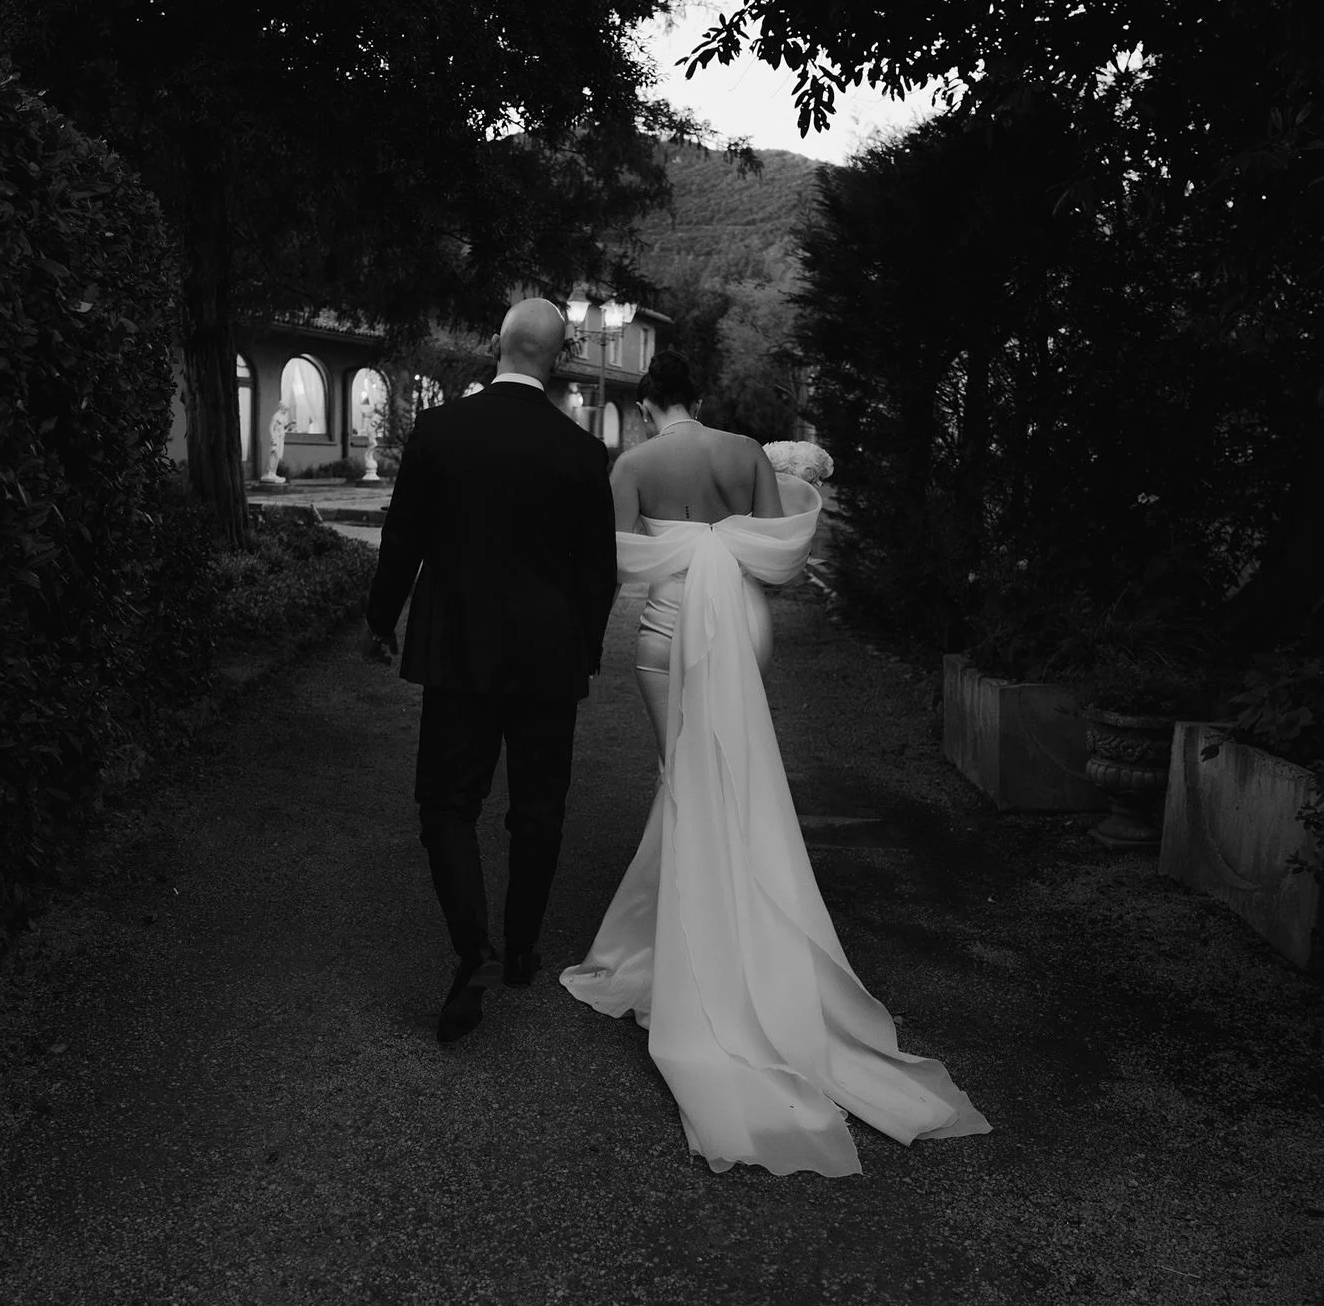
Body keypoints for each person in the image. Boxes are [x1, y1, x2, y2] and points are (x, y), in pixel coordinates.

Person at [561, 351, 990, 1175]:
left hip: (669, 629)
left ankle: (695, 950)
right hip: (745, 626)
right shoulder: (747, 453)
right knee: (730, 774)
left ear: (650, 404)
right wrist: (729, 550)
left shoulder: (636, 462)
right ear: (700, 397)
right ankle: (738, 922)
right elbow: (775, 561)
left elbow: (611, 560)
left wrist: (679, 554)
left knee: (681, 779)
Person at [366, 299, 616, 1044]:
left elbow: (402, 536)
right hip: (548, 654)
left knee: (447, 800)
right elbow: (598, 574)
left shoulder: (442, 431)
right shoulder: (580, 451)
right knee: (538, 809)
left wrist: (380, 620)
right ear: (558, 355)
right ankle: (521, 949)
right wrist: (586, 647)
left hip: (459, 650)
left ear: (497, 347)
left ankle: (471, 944)